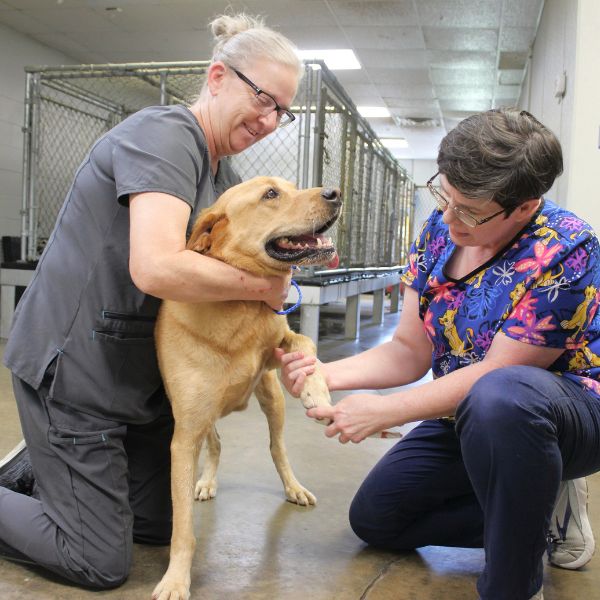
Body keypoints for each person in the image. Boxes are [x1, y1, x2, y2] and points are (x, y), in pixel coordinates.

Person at [0, 13, 303, 589]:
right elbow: (158, 265)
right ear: (218, 77)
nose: (269, 120)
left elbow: (246, 259)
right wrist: (267, 288)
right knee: (96, 558)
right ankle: (42, 475)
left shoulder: (221, 170)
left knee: (155, 526)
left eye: (282, 111)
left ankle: (41, 473)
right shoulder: (163, 135)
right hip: (77, 369)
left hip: (135, 380)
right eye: (262, 99)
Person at [276, 108, 600, 600]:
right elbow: (409, 350)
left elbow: (499, 374)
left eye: (468, 211)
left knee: (500, 397)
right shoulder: (438, 231)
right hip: (471, 413)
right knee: (378, 518)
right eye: (444, 196)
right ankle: (540, 505)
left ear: (524, 207)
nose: (449, 219)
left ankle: (511, 583)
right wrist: (323, 373)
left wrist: (386, 408)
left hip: (560, 411)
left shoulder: (567, 249)